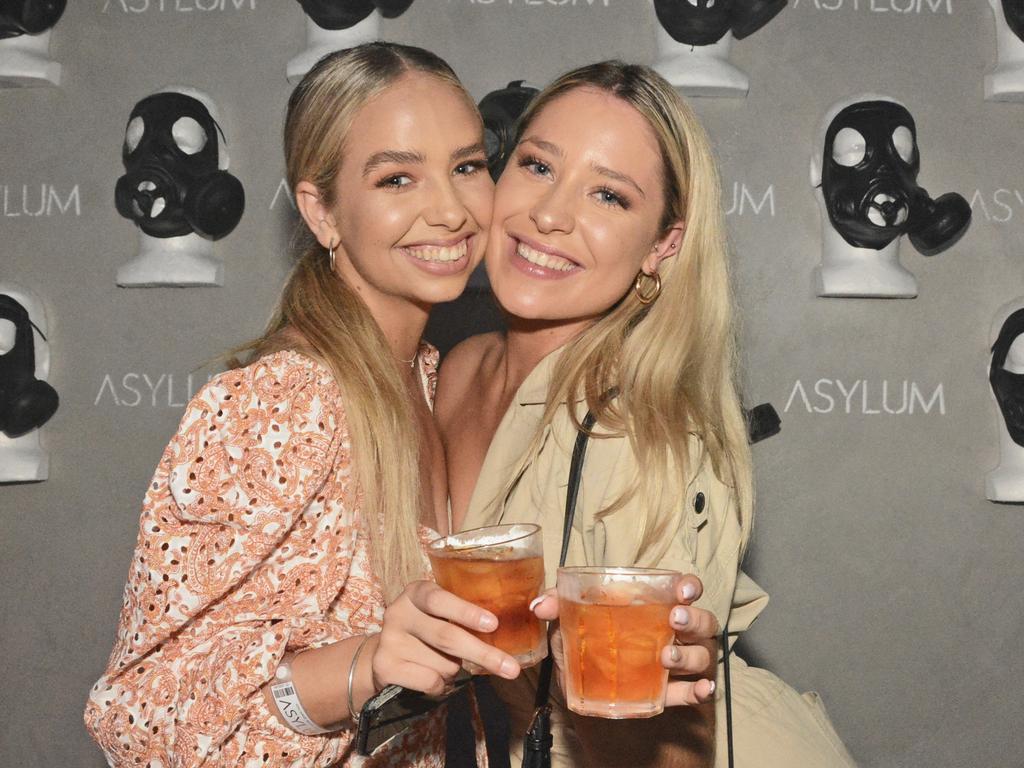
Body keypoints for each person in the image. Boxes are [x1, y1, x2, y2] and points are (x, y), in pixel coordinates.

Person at [84, 42, 519, 768]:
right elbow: (143, 718)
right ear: (321, 211)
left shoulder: (432, 378)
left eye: (467, 167)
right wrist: (368, 666)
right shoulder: (285, 403)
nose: (449, 210)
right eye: (397, 178)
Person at [436, 61, 858, 768]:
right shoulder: (457, 368)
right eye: (538, 166)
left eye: (608, 194)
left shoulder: (648, 429)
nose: (550, 214)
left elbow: (658, 740)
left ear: (662, 246)